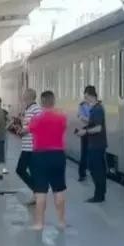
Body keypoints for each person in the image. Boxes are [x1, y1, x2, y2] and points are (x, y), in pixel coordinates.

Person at [26, 90, 68, 230]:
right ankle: (61, 222)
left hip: (40, 156)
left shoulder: (36, 119)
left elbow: (30, 131)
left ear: (41, 102)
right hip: (58, 155)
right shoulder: (61, 117)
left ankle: (39, 223)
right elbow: (63, 130)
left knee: (40, 192)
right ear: (53, 101)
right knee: (59, 189)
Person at [76, 85, 108, 203]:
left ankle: (99, 195)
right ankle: (100, 194)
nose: (85, 99)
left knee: (96, 169)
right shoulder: (94, 109)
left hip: (97, 144)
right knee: (96, 169)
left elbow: (98, 128)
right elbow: (92, 124)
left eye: (86, 97)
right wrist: (83, 130)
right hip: (95, 144)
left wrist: (85, 131)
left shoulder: (97, 109)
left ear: (91, 96)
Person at [14, 88, 41, 204]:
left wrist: (25, 130)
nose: (22, 97)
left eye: (24, 95)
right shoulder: (28, 109)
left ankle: (38, 191)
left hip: (32, 146)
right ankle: (37, 194)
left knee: (20, 169)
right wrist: (20, 130)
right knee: (32, 171)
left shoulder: (36, 109)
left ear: (28, 97)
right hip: (27, 145)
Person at [76, 94, 92, 182]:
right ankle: (82, 174)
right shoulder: (82, 105)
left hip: (93, 130)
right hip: (85, 129)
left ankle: (87, 172)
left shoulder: (96, 105)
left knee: (90, 152)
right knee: (84, 152)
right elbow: (81, 117)